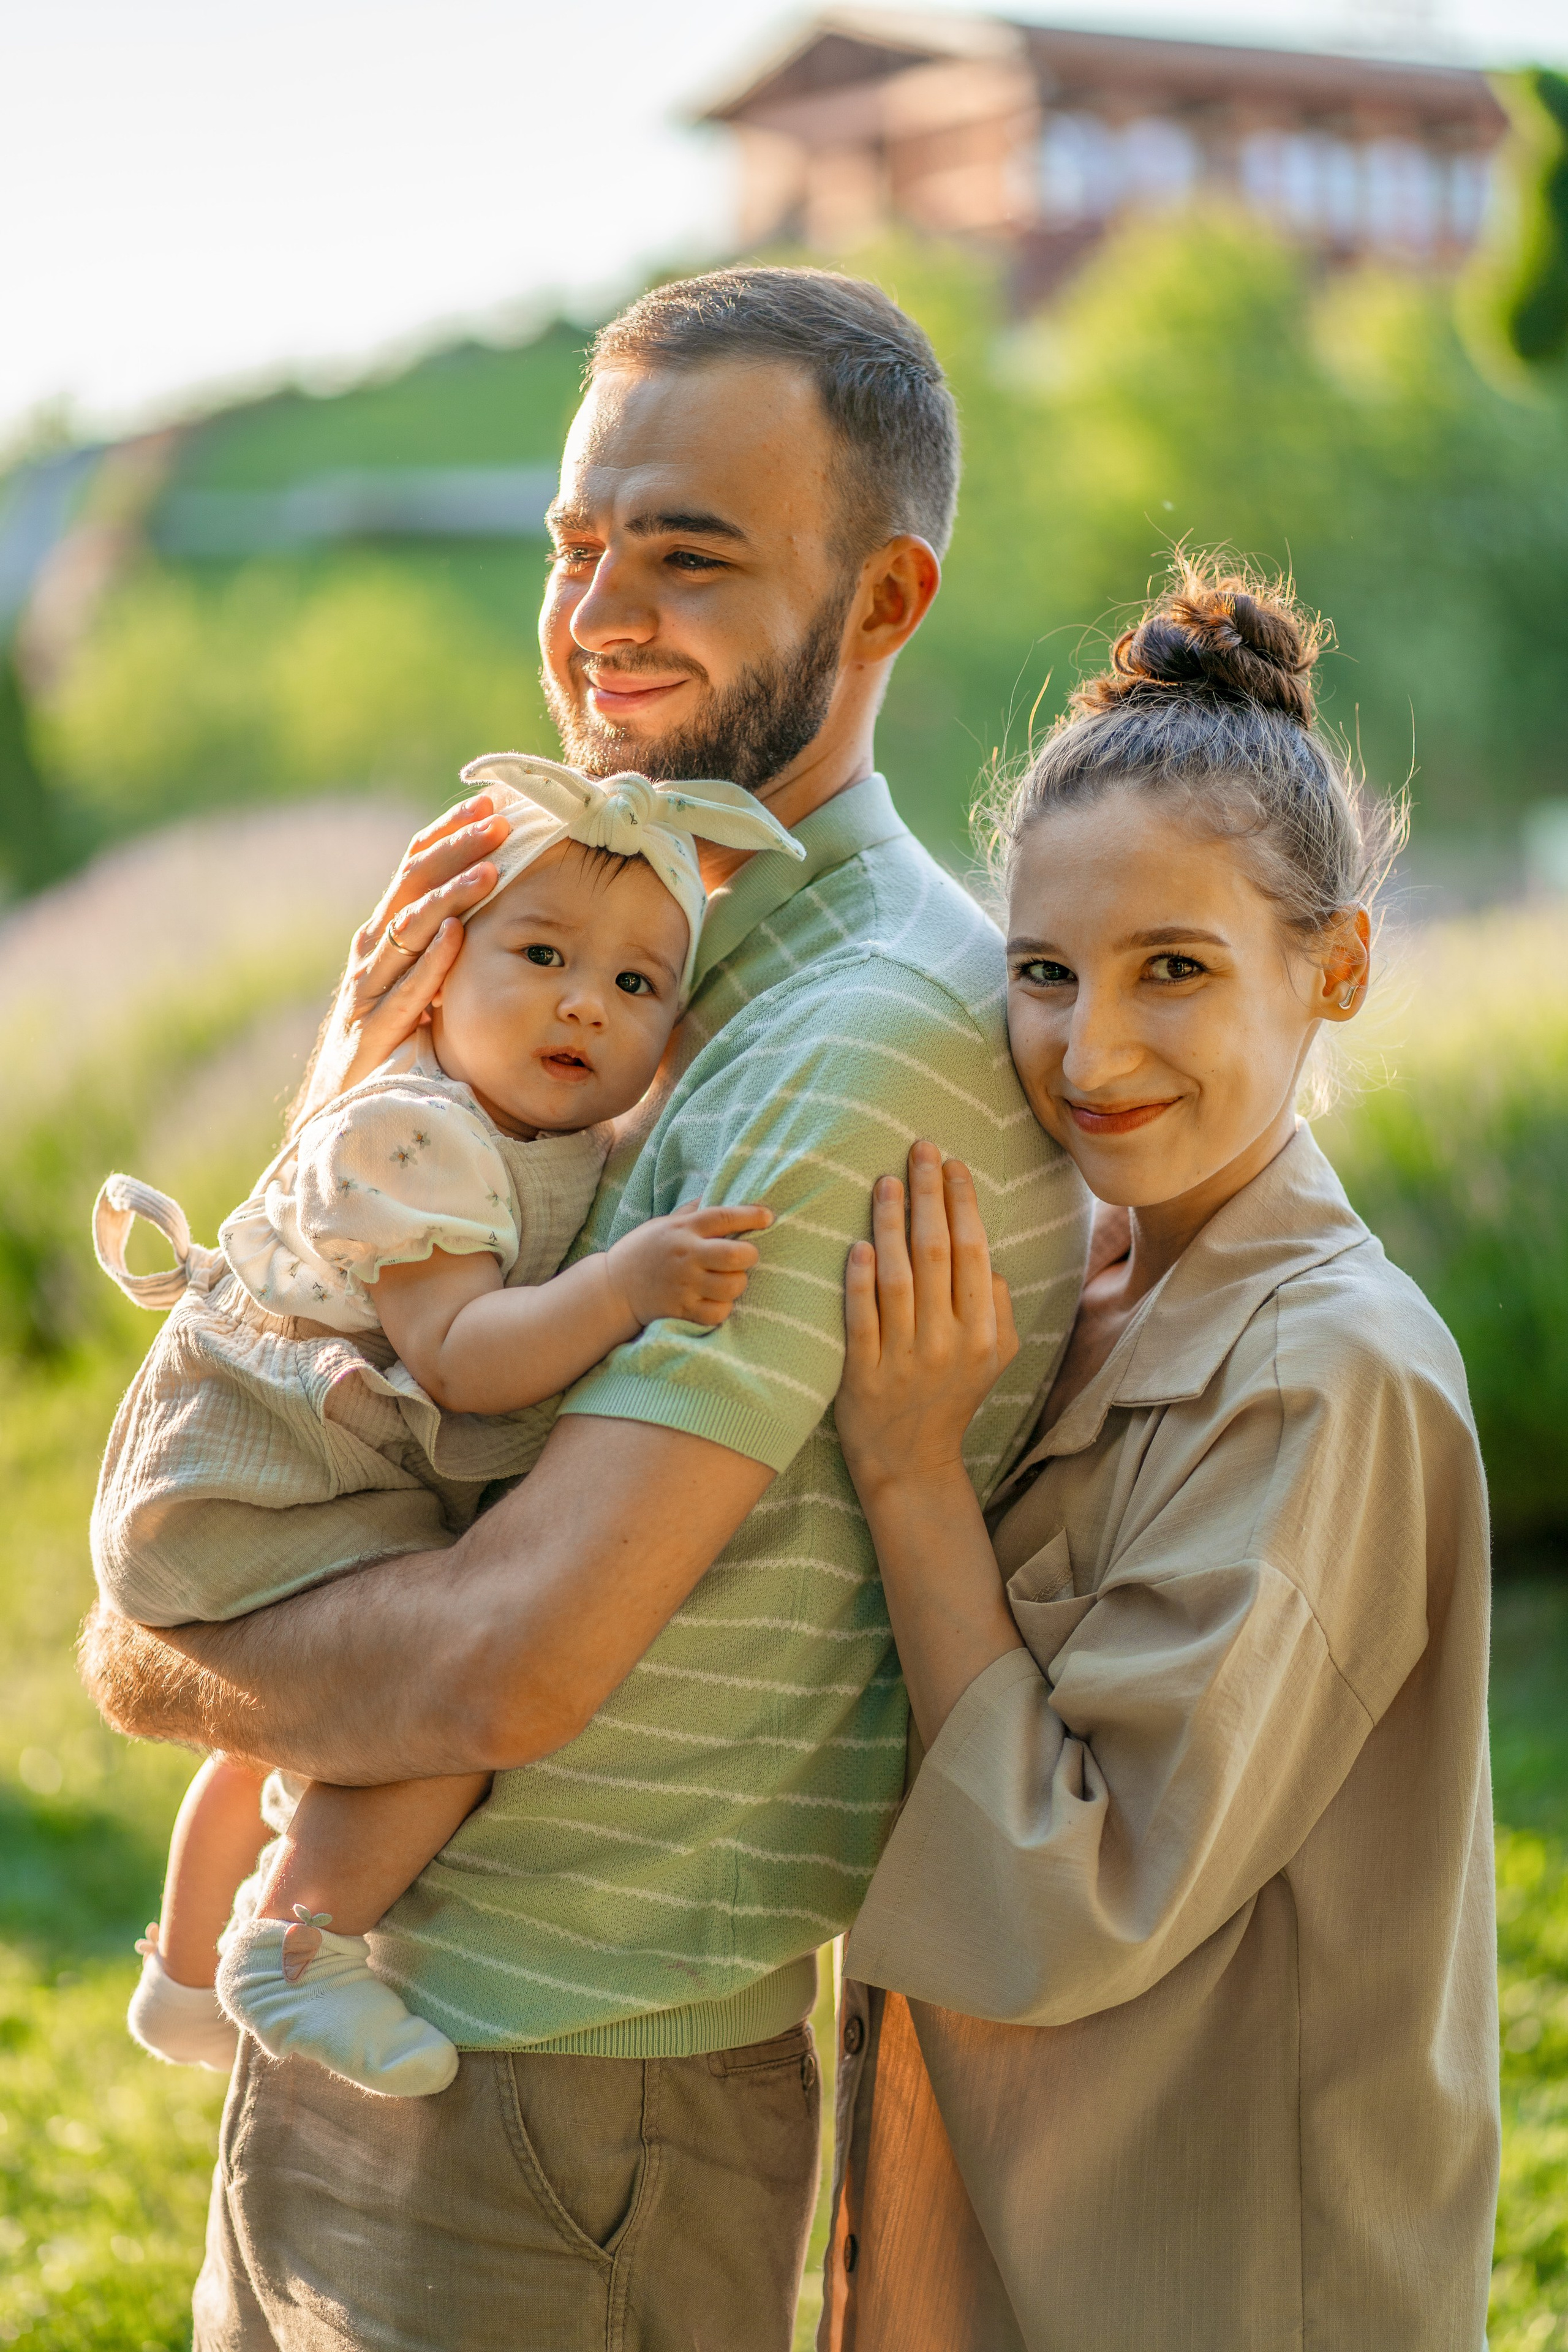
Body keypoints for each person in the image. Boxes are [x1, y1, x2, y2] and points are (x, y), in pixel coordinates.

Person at [79, 266, 1090, 2351]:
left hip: (563, 2102)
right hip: (377, 2016)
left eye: (689, 551)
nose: (600, 608)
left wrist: (164, 1637)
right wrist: (343, 1114)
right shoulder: (612, 972)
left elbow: (499, 1666)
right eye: (577, 541)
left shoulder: (860, 1029)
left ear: (886, 604)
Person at [824, 562, 1500, 2351]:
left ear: (1336, 966)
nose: (1089, 1049)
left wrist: (907, 1480)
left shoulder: (1327, 1373)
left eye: (1173, 971)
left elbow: (1078, 1877)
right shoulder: (1067, 1276)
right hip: (1009, 2231)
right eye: (1045, 971)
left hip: (1221, 2274)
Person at [96, 757, 796, 2097]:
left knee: (270, 1736)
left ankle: (180, 1985)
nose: (583, 1002)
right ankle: (295, 1952)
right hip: (266, 1487)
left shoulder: (525, 1125)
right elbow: (465, 1360)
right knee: (430, 1717)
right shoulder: (418, 1137)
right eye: (539, 955)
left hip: (282, 1476)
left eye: (637, 986)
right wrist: (627, 1284)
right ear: (438, 972)